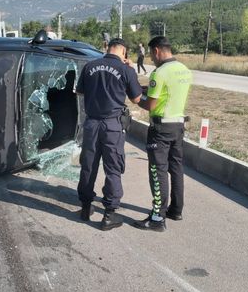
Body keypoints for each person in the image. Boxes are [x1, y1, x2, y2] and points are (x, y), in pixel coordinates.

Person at [76, 38, 142, 231]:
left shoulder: (90, 66)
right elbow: (136, 98)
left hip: (92, 123)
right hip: (112, 126)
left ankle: (85, 208)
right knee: (113, 168)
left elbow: (80, 93)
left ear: (108, 48)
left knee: (88, 166)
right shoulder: (126, 70)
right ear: (124, 52)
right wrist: (129, 71)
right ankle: (109, 215)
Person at [134, 36, 192, 232]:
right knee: (176, 168)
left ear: (157, 50)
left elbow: (151, 104)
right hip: (178, 126)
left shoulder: (159, 73)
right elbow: (169, 93)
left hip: (160, 129)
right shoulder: (184, 70)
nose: (152, 58)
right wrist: (147, 90)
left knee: (158, 172)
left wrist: (136, 99)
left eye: (151, 54)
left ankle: (158, 218)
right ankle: (176, 210)